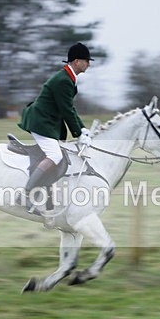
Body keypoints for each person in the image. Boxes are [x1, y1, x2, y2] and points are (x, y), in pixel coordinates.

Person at [18, 42, 93, 213]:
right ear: (76, 61)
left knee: (59, 154)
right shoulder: (63, 80)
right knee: (55, 155)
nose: (89, 63)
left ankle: (47, 195)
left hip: (48, 122)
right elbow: (66, 110)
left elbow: (70, 108)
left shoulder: (68, 78)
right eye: (86, 60)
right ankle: (26, 194)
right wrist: (78, 133)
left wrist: (82, 129)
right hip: (41, 122)